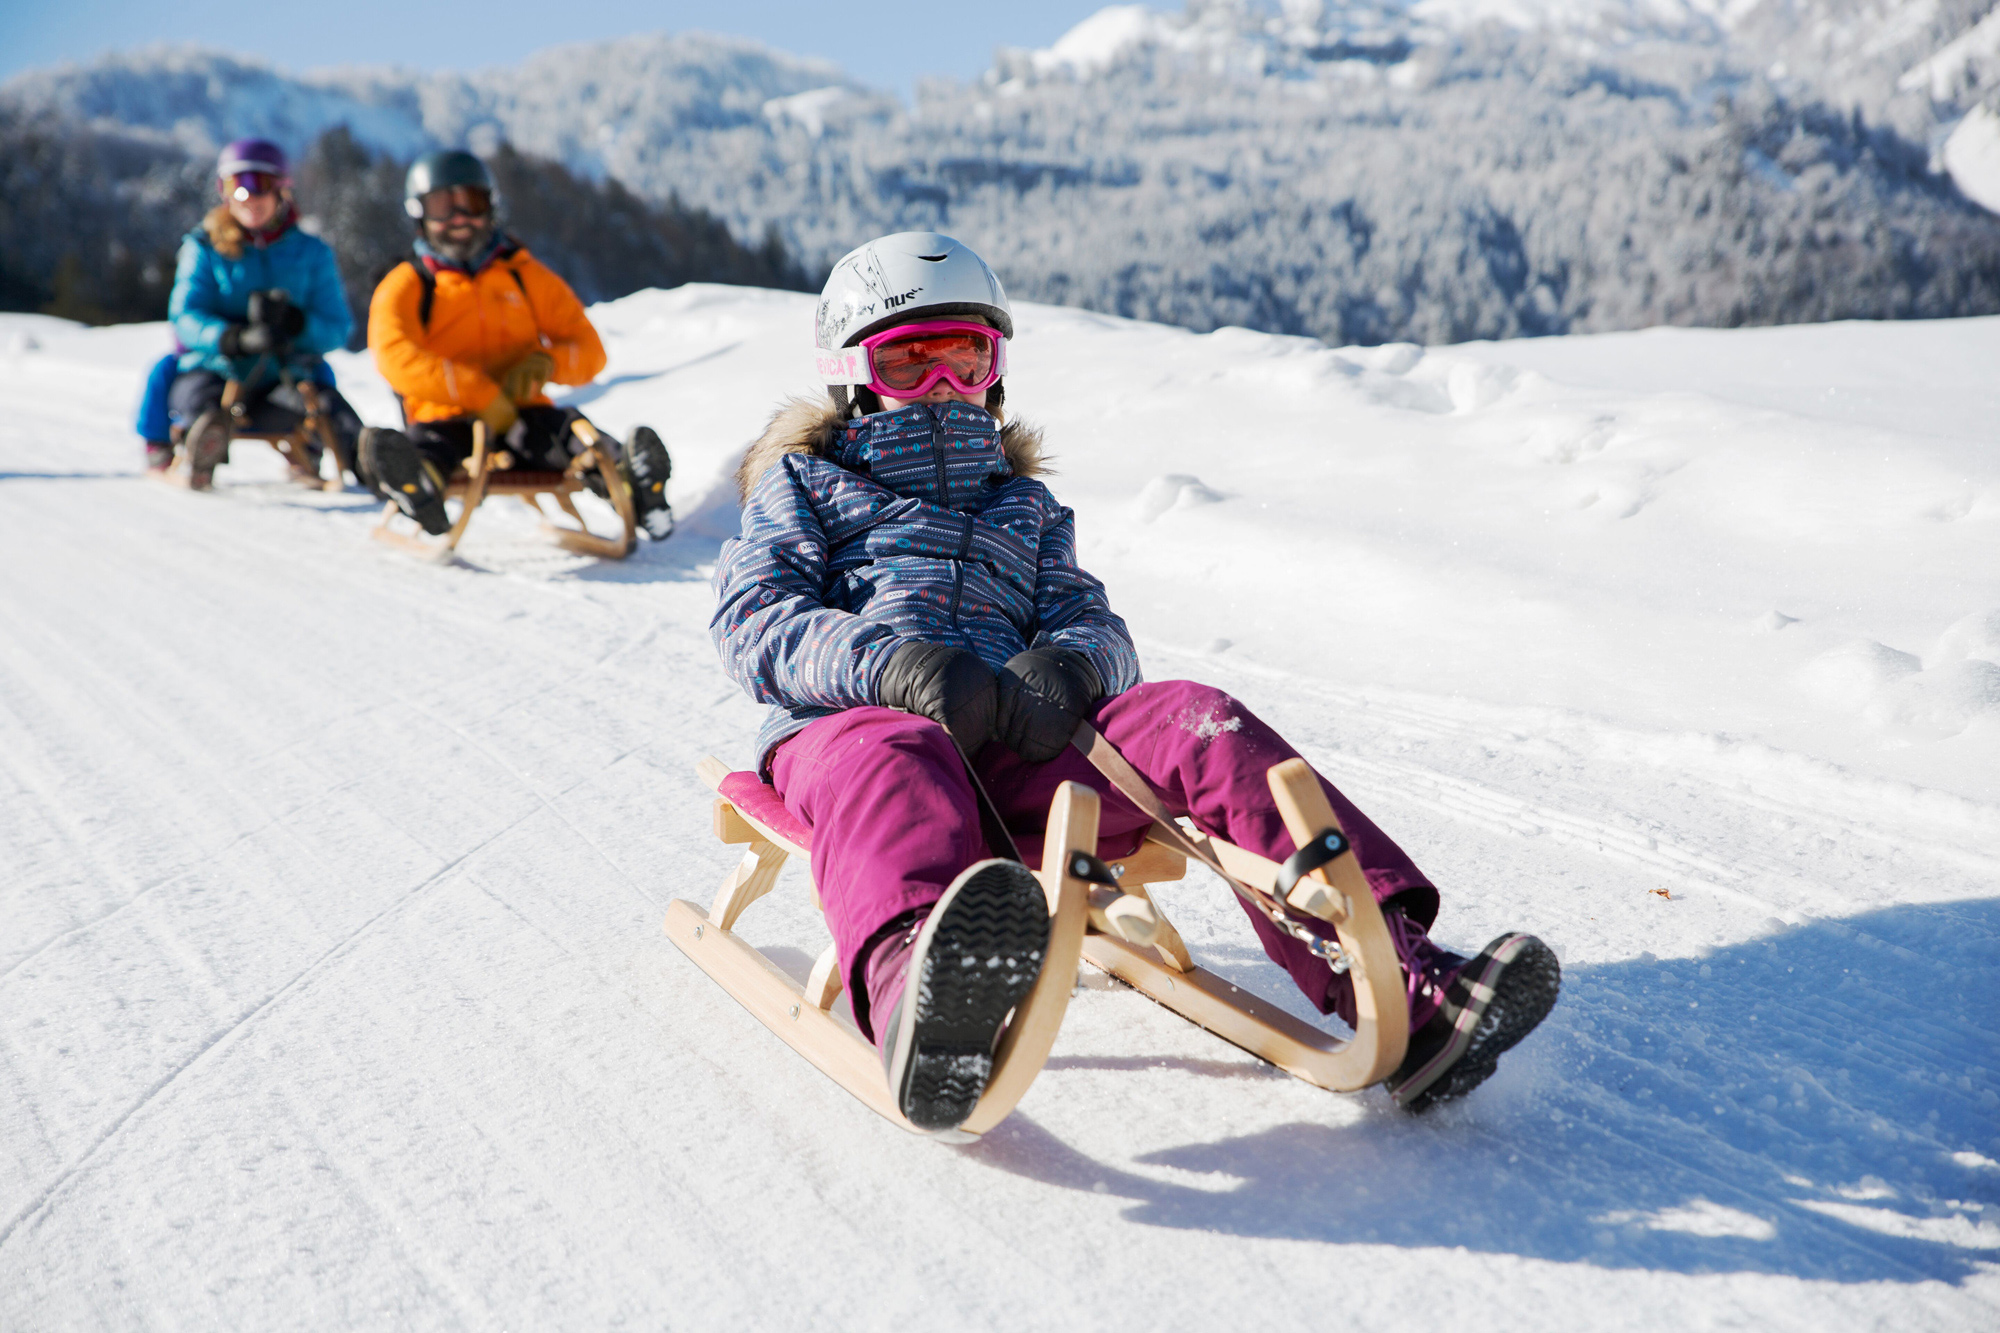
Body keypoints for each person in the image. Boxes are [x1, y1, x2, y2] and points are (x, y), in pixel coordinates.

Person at [711, 232, 1562, 1133]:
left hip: (1015, 752)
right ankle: (923, 998)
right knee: (900, 749)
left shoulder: (1021, 505)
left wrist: (1074, 666)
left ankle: (1398, 975)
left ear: (995, 369)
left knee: (1190, 718)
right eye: (909, 361)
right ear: (855, 373)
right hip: (853, 738)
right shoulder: (809, 484)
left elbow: (1095, 622)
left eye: (965, 357)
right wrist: (892, 666)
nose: (943, 384)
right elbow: (752, 615)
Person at [361, 150, 673, 540]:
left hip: (524, 413)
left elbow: (589, 347)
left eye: (470, 204)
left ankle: (633, 484)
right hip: (443, 414)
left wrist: (546, 363)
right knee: (431, 447)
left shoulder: (525, 275)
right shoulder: (407, 283)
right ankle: (417, 485)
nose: (459, 218)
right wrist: (478, 393)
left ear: (490, 208)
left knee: (571, 435)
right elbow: (393, 355)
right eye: (444, 206)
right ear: (420, 214)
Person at [164, 138, 363, 488]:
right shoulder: (204, 247)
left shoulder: (310, 252)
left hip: (284, 373)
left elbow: (337, 326)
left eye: (262, 185)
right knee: (199, 400)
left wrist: (297, 324)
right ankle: (201, 445)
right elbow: (185, 315)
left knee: (321, 404)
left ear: (282, 190)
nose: (250, 198)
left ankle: (367, 460)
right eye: (238, 187)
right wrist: (231, 338)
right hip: (217, 367)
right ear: (224, 193)